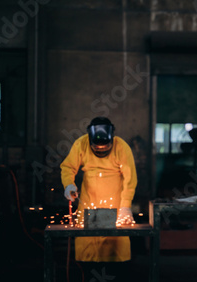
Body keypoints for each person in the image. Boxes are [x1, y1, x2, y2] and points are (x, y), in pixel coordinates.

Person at [61, 117, 137, 278]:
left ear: (112, 138)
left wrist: (125, 205)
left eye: (105, 147)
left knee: (115, 252)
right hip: (88, 203)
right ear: (90, 139)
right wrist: (69, 184)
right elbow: (68, 167)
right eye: (97, 147)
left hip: (116, 205)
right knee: (89, 252)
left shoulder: (121, 146)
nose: (101, 150)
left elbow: (130, 179)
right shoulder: (81, 144)